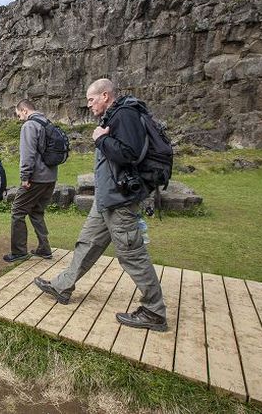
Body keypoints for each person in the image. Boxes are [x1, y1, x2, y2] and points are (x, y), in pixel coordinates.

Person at [33, 79, 168, 331]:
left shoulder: (125, 115)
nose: (88, 104)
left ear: (105, 95)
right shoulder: (113, 117)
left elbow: (130, 153)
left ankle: (154, 311)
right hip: (107, 199)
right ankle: (62, 286)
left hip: (121, 201)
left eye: (91, 99)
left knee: (132, 254)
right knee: (87, 242)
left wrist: (100, 139)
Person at [3, 99, 58, 263]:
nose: (19, 118)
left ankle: (19, 251)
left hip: (36, 178)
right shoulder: (48, 123)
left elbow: (28, 154)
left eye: (18, 114)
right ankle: (44, 248)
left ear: (25, 110)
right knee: (36, 211)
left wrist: (25, 177)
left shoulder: (29, 126)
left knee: (17, 211)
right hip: (51, 177)